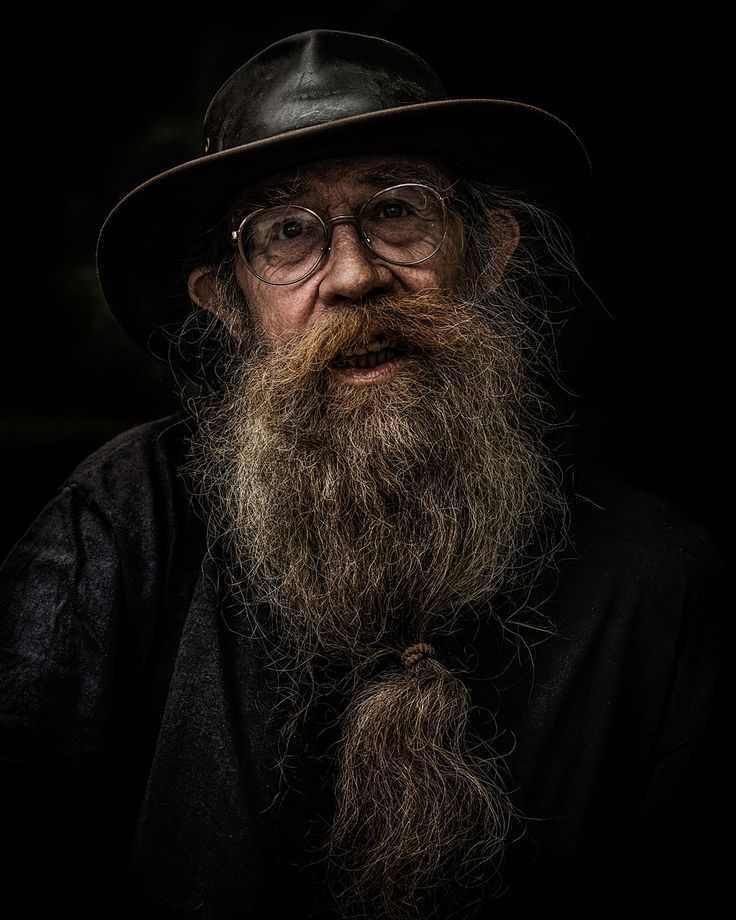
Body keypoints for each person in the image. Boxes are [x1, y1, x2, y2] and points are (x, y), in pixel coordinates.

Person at [1, 29, 727, 920]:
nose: (352, 276)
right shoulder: (127, 522)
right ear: (228, 301)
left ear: (487, 253)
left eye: (396, 210)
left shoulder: (653, 581)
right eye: (288, 233)